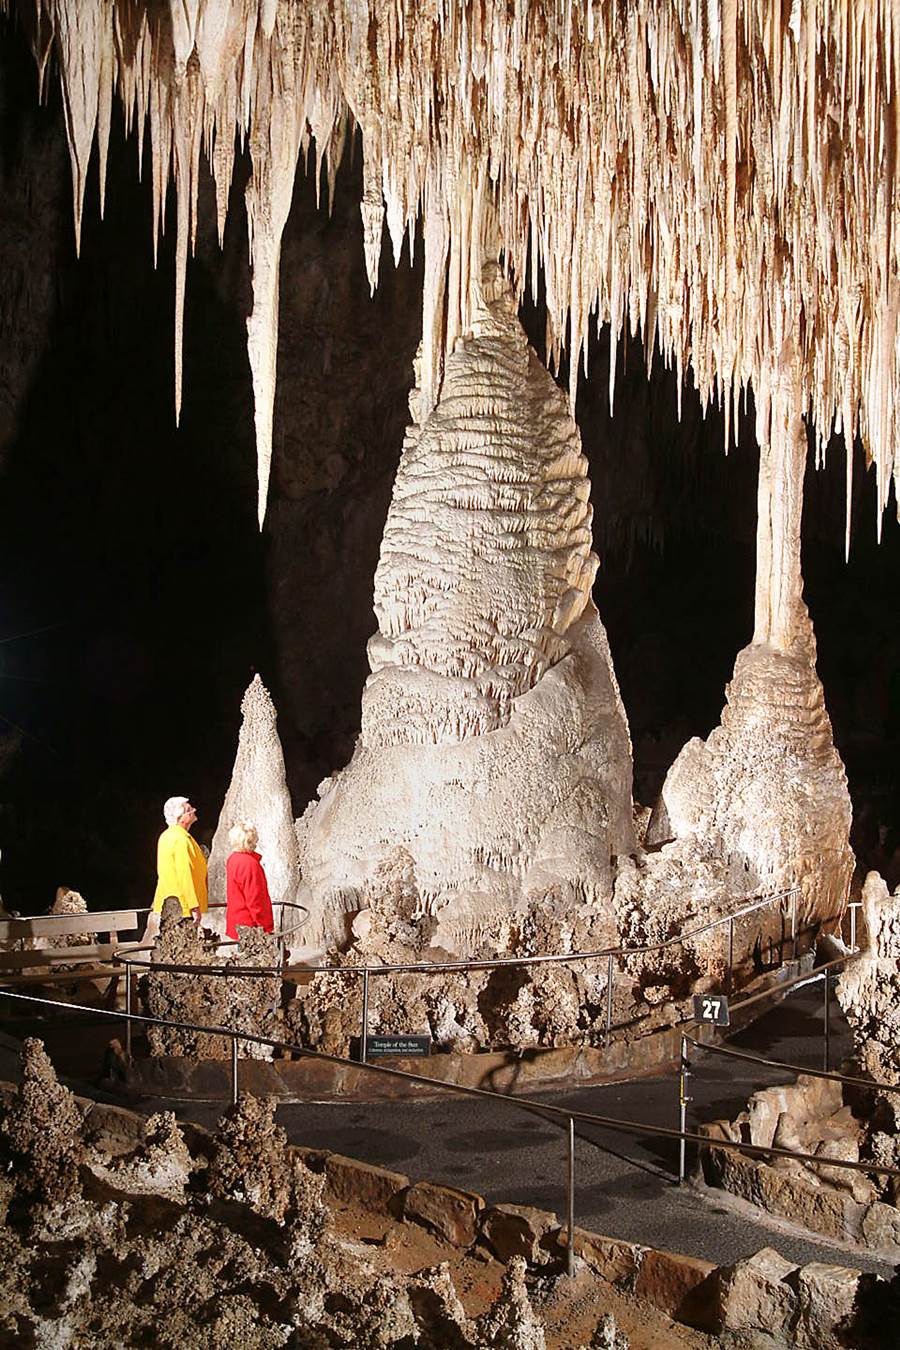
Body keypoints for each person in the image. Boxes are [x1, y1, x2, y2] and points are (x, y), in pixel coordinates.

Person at [151, 795, 208, 928]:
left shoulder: (167, 835)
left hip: (169, 905)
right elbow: (185, 874)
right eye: (189, 810)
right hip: (182, 906)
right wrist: (193, 906)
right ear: (180, 818)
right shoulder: (180, 839)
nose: (194, 810)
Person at [225, 820, 274, 941]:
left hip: (237, 919)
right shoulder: (249, 864)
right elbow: (255, 899)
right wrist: (264, 927)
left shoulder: (233, 859)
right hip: (250, 924)